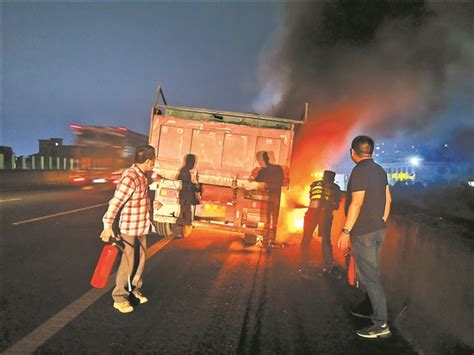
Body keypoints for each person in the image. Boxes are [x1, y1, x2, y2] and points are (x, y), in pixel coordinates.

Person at [337, 135, 392, 339]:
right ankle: (373, 310)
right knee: (372, 274)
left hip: (364, 233)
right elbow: (389, 199)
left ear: (353, 152)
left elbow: (356, 203)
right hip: (378, 229)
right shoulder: (379, 170)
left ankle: (380, 324)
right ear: (371, 151)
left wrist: (345, 231)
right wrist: (382, 221)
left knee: (371, 278)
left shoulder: (359, 171)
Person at [100, 145, 156, 313]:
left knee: (141, 260)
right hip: (129, 228)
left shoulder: (143, 175)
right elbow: (115, 202)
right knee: (128, 262)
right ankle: (119, 296)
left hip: (141, 225)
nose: (154, 164)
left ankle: (134, 288)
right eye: (153, 161)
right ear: (148, 161)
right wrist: (107, 225)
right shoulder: (130, 178)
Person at [300, 170, 341, 276]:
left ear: (323, 177)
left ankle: (303, 265)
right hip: (325, 216)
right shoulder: (335, 188)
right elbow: (336, 206)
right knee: (326, 240)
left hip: (311, 214)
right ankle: (329, 266)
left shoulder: (315, 184)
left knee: (306, 239)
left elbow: (311, 197)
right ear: (333, 179)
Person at [251, 151, 285, 247]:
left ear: (262, 160)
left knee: (267, 220)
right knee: (274, 220)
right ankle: (272, 240)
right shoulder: (278, 169)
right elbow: (281, 181)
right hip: (276, 196)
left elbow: (257, 180)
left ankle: (265, 241)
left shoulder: (263, 171)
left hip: (269, 196)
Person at [176, 154, 201, 229]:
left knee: (184, 211)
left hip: (184, 195)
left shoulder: (184, 170)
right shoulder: (185, 172)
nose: (194, 164)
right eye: (193, 162)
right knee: (184, 211)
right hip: (185, 196)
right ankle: (181, 225)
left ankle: (182, 225)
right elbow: (187, 185)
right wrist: (196, 185)